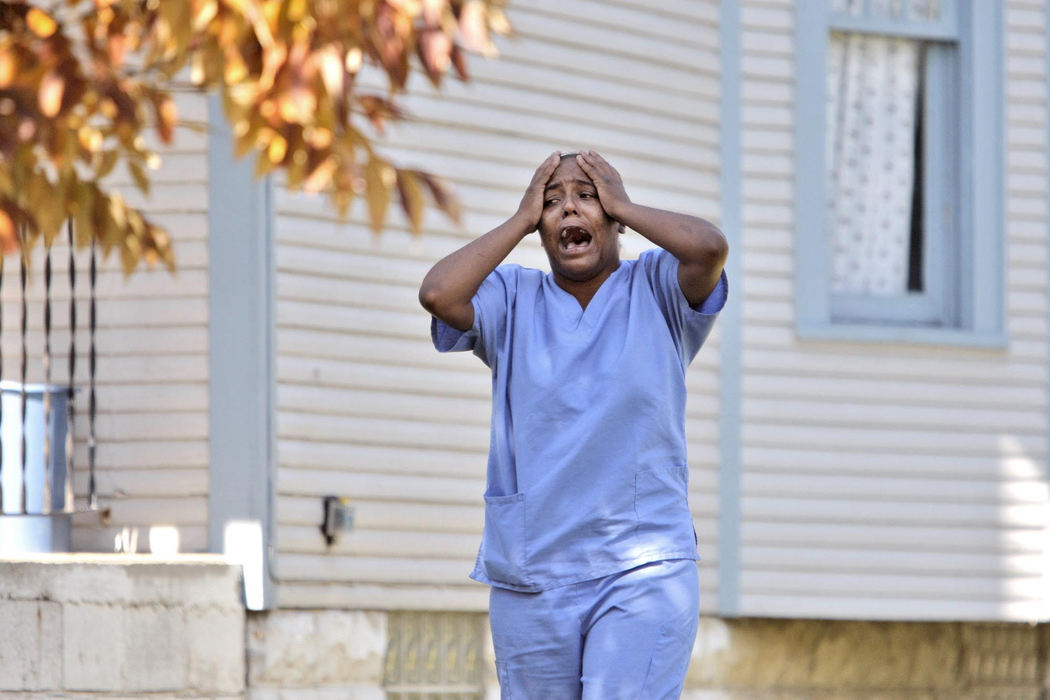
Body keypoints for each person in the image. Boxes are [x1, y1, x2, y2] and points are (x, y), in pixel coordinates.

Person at [419, 150, 729, 699]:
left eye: (586, 196)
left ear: (613, 218)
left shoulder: (657, 289)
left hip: (642, 567)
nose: (569, 211)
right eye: (552, 201)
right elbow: (439, 294)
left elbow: (708, 248)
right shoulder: (512, 299)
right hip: (532, 573)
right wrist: (517, 220)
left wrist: (623, 204)